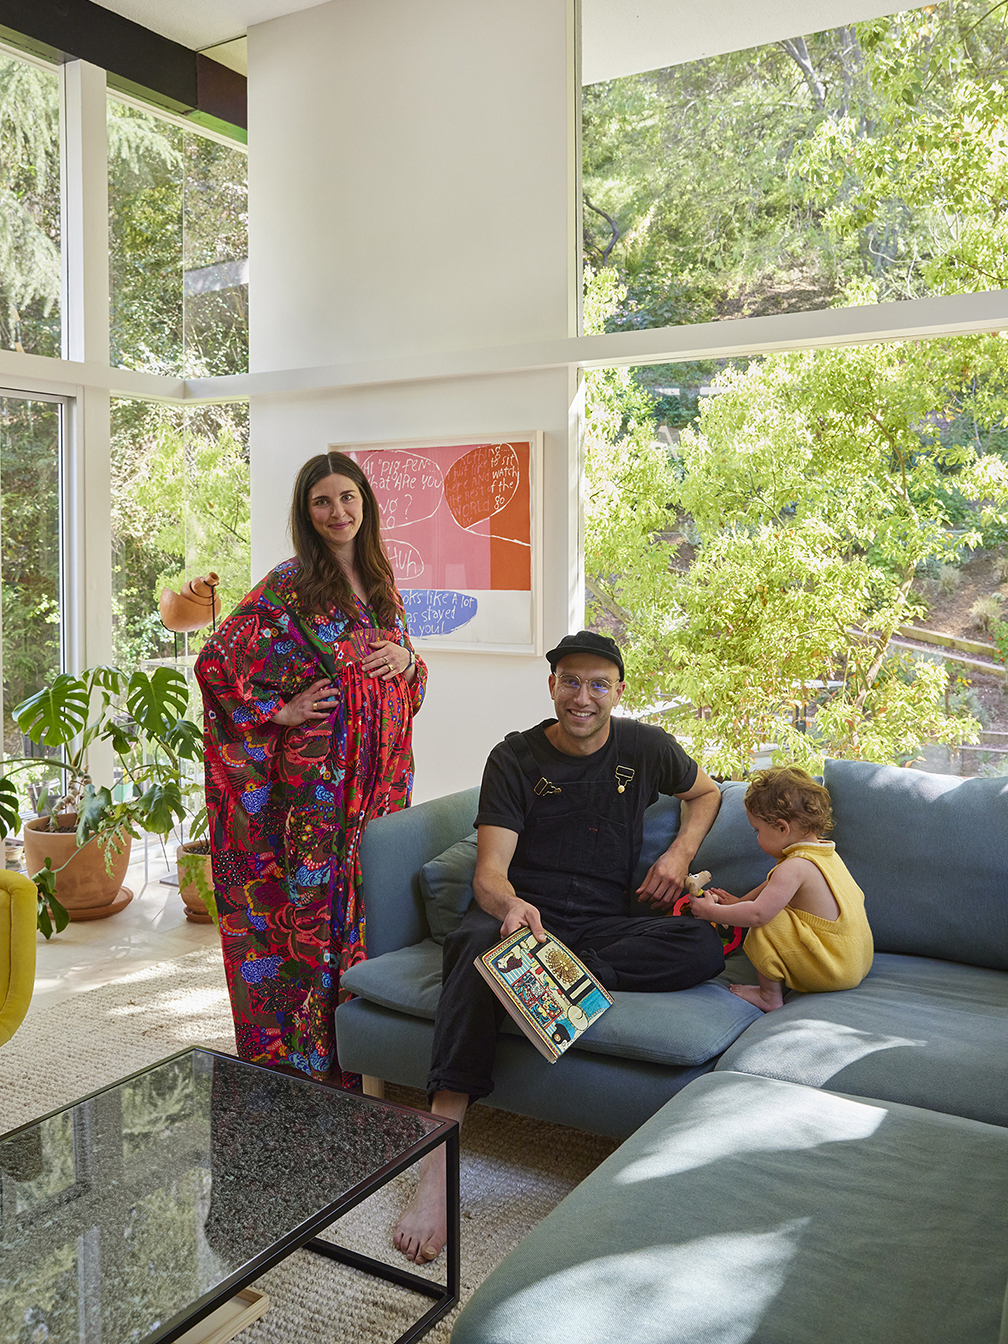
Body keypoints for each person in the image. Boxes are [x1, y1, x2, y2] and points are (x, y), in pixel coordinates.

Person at [394, 630, 724, 1263]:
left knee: (700, 946)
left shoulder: (645, 748)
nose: (583, 697)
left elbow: (705, 792)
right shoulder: (514, 759)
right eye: (570, 681)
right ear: (551, 687)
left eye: (599, 684)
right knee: (475, 948)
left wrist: (680, 854)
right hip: (527, 917)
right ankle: (438, 1156)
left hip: (602, 923)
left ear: (619, 692)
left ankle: (548, 981)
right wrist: (510, 906)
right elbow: (489, 874)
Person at [195, 451, 427, 1088]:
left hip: (381, 783)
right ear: (306, 512)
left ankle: (365, 1049)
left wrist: (408, 665)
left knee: (369, 907)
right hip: (318, 786)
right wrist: (283, 709)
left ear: (365, 504)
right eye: (322, 501)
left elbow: (407, 674)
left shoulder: (380, 582)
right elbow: (217, 663)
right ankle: (305, 1056)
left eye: (347, 498)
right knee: (313, 913)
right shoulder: (289, 584)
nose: (338, 512)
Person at [689, 765, 873, 1013]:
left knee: (768, 919)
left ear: (781, 827)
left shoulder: (793, 867)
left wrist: (711, 912)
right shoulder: (825, 853)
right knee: (771, 910)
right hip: (855, 961)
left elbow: (757, 914)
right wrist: (739, 902)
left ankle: (769, 996)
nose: (756, 837)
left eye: (758, 830)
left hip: (832, 970)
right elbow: (771, 885)